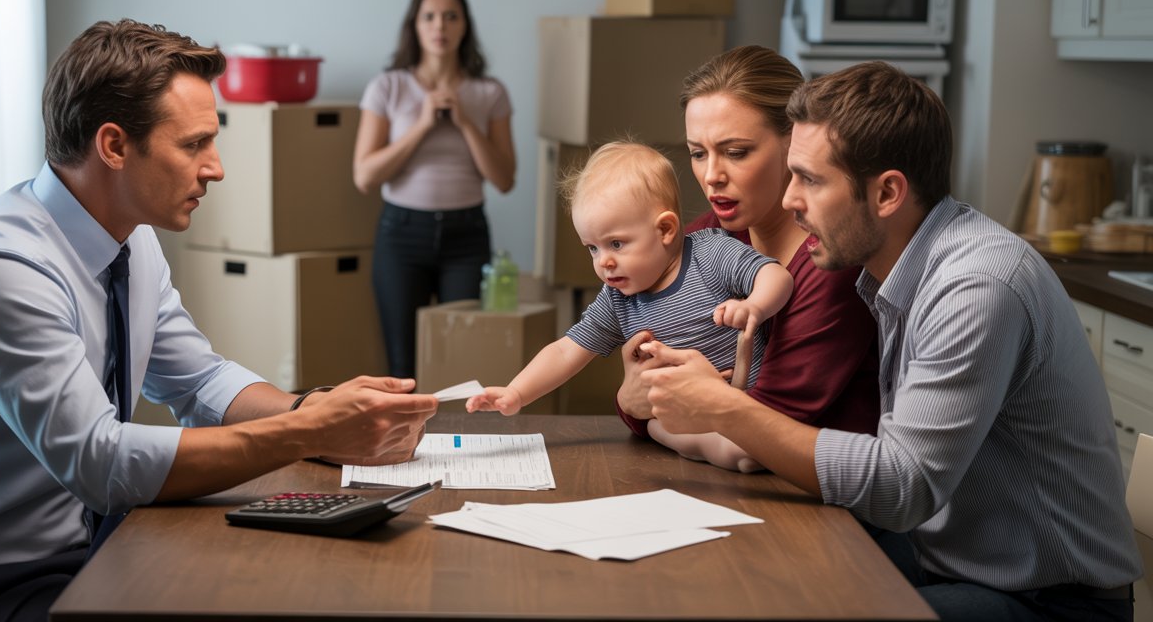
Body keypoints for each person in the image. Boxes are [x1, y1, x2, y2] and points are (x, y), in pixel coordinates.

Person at [0, 19, 439, 621]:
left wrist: (311, 412)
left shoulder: (129, 241)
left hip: (76, 554)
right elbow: (100, 463)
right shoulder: (2, 270)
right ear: (113, 146)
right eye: (193, 145)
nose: (214, 168)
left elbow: (198, 380)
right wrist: (312, 434)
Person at [639, 60, 1142, 620]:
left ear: (887, 194)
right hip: (942, 557)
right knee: (744, 584)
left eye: (810, 179)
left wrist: (725, 410)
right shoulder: (896, 267)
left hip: (1047, 600)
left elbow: (904, 485)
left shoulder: (975, 286)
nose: (789, 200)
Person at [615, 45, 881, 471]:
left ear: (793, 144)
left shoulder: (832, 263)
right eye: (698, 153)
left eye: (736, 152)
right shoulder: (705, 237)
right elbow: (648, 386)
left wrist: (660, 407)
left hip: (824, 509)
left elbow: (766, 429)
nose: (711, 175)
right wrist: (632, 401)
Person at [467, 141, 792, 470]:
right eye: (592, 248)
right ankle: (712, 446)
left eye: (616, 244)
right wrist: (517, 392)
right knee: (656, 425)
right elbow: (566, 351)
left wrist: (755, 306)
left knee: (728, 437)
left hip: (744, 404)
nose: (603, 262)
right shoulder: (617, 299)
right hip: (679, 413)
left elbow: (776, 276)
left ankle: (732, 445)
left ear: (665, 229)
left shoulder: (710, 254)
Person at [353, 0, 515, 379]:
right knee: (402, 362)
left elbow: (505, 178)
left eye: (450, 16)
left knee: (460, 358)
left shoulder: (489, 92)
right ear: (416, 26)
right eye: (429, 16)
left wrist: (464, 123)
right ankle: (402, 443)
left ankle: (458, 441)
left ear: (464, 26)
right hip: (402, 233)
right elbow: (364, 175)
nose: (439, 25)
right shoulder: (388, 86)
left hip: (466, 234)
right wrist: (422, 125)